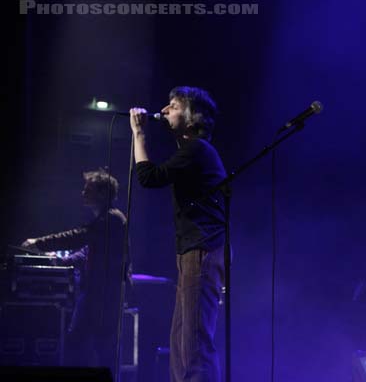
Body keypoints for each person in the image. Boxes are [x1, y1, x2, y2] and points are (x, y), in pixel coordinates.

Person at [129, 86, 226, 382]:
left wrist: (139, 134)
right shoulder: (191, 152)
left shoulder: (197, 150)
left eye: (174, 105)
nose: (166, 109)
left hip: (202, 249)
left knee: (194, 343)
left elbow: (149, 177)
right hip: (192, 250)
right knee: (182, 341)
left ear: (194, 116)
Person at [21, 168, 128, 372]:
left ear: (103, 194)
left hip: (103, 297)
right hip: (95, 295)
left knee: (93, 348)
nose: (82, 193)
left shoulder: (111, 219)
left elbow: (78, 236)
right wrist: (62, 260)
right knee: (81, 345)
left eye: (88, 190)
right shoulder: (105, 219)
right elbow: (86, 251)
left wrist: (39, 243)